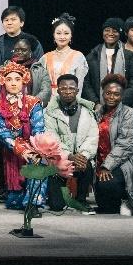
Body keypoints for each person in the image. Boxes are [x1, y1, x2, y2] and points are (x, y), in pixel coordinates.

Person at [90, 74, 133, 216]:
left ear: (122, 95)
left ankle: (127, 198)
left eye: (116, 94)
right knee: (106, 209)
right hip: (101, 160)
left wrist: (107, 166)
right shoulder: (98, 113)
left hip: (124, 162)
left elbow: (125, 145)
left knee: (106, 183)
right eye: (108, 93)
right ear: (103, 93)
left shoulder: (129, 114)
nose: (111, 97)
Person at [0, 62, 47, 210]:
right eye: (9, 79)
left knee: (38, 162)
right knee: (14, 203)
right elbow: (2, 134)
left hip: (33, 146)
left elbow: (38, 130)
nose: (13, 83)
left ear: (24, 81)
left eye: (17, 79)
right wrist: (21, 150)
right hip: (11, 150)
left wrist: (35, 150)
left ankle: (33, 203)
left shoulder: (33, 102)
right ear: (3, 82)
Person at [43, 73, 97, 209]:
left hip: (81, 159)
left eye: (71, 88)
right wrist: (69, 156)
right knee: (56, 206)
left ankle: (81, 199)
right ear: (58, 91)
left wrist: (83, 156)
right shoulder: (49, 112)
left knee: (87, 165)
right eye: (64, 88)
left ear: (77, 91)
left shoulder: (87, 112)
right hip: (59, 159)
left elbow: (92, 137)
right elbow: (51, 139)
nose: (68, 91)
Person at [83, 17, 133, 107]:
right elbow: (86, 83)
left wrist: (120, 101)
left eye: (115, 31)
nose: (110, 33)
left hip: (123, 106)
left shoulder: (129, 56)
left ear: (120, 34)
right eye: (107, 30)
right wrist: (95, 103)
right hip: (97, 107)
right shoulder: (92, 55)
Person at [41, 13, 88, 99]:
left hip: (69, 99)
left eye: (66, 33)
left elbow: (79, 85)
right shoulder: (45, 57)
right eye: (58, 33)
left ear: (71, 35)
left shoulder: (78, 57)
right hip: (48, 100)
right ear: (53, 35)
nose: (62, 37)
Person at [8, 36, 52, 104]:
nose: (19, 52)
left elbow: (46, 91)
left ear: (30, 52)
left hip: (33, 107)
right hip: (7, 106)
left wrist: (31, 104)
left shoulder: (41, 71)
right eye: (17, 50)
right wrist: (7, 103)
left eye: (24, 50)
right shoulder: (4, 68)